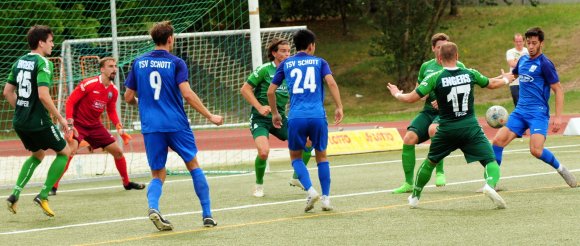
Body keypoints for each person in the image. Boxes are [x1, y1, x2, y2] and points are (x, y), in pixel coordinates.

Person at [387, 42, 514, 209]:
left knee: (430, 162)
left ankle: (415, 197)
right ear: (457, 56)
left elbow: (411, 98)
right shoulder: (470, 73)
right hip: (470, 128)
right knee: (490, 160)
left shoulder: (435, 77)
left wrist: (396, 93)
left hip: (446, 129)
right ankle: (489, 186)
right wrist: (506, 78)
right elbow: (491, 83)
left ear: (440, 58)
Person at [124, 21, 223, 230]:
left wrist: (140, 103)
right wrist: (209, 115)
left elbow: (128, 96)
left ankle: (153, 207)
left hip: (151, 126)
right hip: (176, 123)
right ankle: (207, 214)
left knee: (158, 174)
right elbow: (187, 93)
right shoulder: (176, 62)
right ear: (170, 39)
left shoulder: (138, 62)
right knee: (193, 165)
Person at [267, 29, 343, 212]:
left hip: (296, 116)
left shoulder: (286, 64)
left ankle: (310, 190)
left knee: (295, 157)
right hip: (317, 115)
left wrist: (275, 113)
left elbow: (270, 91)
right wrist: (339, 106)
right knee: (321, 156)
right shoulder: (320, 62)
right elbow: (331, 83)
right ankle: (326, 199)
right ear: (311, 46)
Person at [492, 27, 577, 188]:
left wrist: (558, 117)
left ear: (541, 44)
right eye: (528, 43)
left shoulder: (545, 64)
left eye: (534, 43)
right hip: (520, 112)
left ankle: (561, 169)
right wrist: (499, 79)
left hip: (538, 113)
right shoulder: (523, 60)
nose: (530, 46)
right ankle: (492, 183)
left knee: (536, 150)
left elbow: (558, 89)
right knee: (497, 141)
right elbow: (513, 75)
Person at [49, 57, 145, 196]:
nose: (114, 69)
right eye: (111, 66)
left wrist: (119, 127)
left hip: (95, 126)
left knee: (118, 152)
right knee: (70, 152)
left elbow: (111, 110)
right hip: (79, 125)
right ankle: (53, 186)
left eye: (115, 66)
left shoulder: (114, 90)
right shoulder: (88, 84)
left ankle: (127, 183)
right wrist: (70, 123)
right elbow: (70, 102)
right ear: (102, 69)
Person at [3, 25, 72, 217]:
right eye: (50, 41)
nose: (52, 45)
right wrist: (61, 119)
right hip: (38, 121)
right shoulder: (44, 63)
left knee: (38, 154)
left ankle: (15, 194)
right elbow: (43, 95)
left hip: (20, 121)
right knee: (65, 151)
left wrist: (23, 108)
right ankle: (43, 195)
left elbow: (7, 92)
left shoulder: (19, 61)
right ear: (41, 43)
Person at [391, 33, 465, 194]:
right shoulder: (426, 67)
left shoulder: (458, 65)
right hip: (428, 111)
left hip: (448, 113)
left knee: (434, 130)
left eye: (445, 47)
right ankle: (408, 183)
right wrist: (415, 94)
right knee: (408, 138)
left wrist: (444, 99)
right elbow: (420, 91)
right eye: (439, 47)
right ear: (433, 48)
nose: (442, 50)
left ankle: (440, 172)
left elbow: (465, 91)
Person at [240, 37, 313, 197]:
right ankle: (258, 186)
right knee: (264, 152)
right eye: (283, 51)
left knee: (308, 142)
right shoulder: (265, 70)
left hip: (280, 118)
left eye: (288, 51)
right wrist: (259, 107)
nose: (287, 54)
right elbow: (245, 89)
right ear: (274, 53)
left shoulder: (292, 71)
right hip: (261, 119)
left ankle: (296, 178)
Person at [505, 33, 528, 107]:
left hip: (526, 80)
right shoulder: (510, 52)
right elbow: (512, 64)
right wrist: (524, 61)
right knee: (517, 103)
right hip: (514, 81)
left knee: (527, 102)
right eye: (516, 41)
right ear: (514, 42)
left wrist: (517, 61)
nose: (518, 43)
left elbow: (531, 63)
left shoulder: (527, 51)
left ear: (524, 42)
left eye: (520, 41)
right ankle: (520, 118)